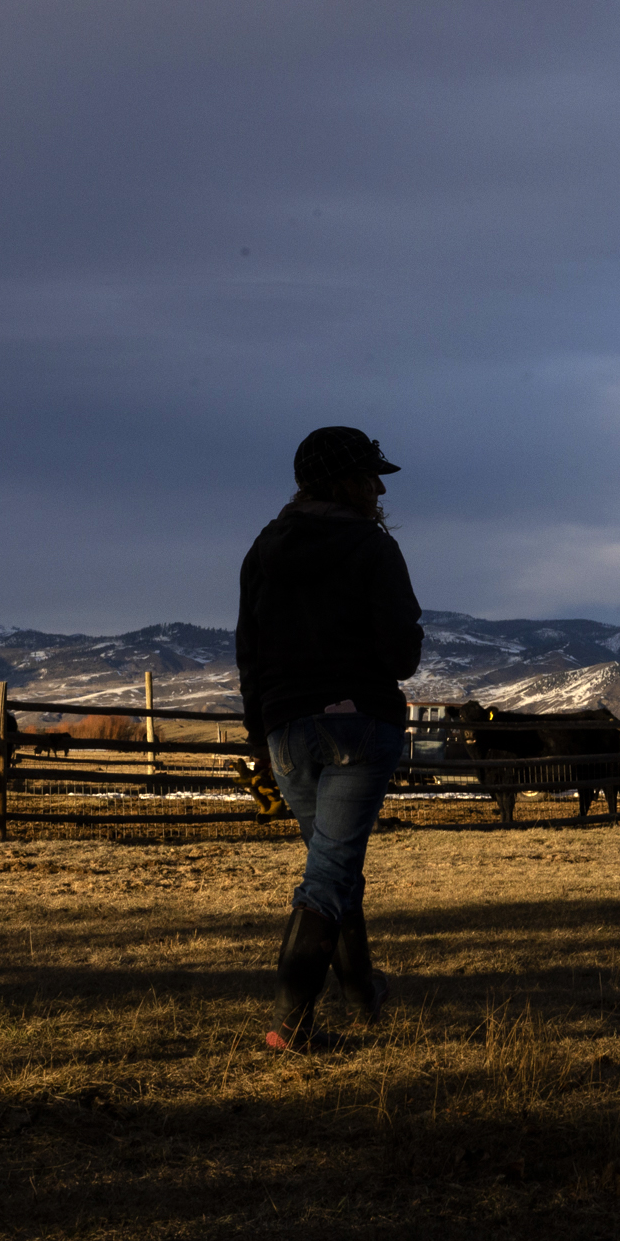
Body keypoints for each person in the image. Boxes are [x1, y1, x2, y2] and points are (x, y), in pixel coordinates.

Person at [236, 426, 425, 1051]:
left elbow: (250, 653)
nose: (377, 487)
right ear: (347, 483)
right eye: (371, 476)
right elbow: (401, 656)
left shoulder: (264, 549)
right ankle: (291, 1027)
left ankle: (363, 992)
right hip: (358, 724)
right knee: (329, 874)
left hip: (286, 729)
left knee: (333, 866)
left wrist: (260, 732)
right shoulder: (372, 547)